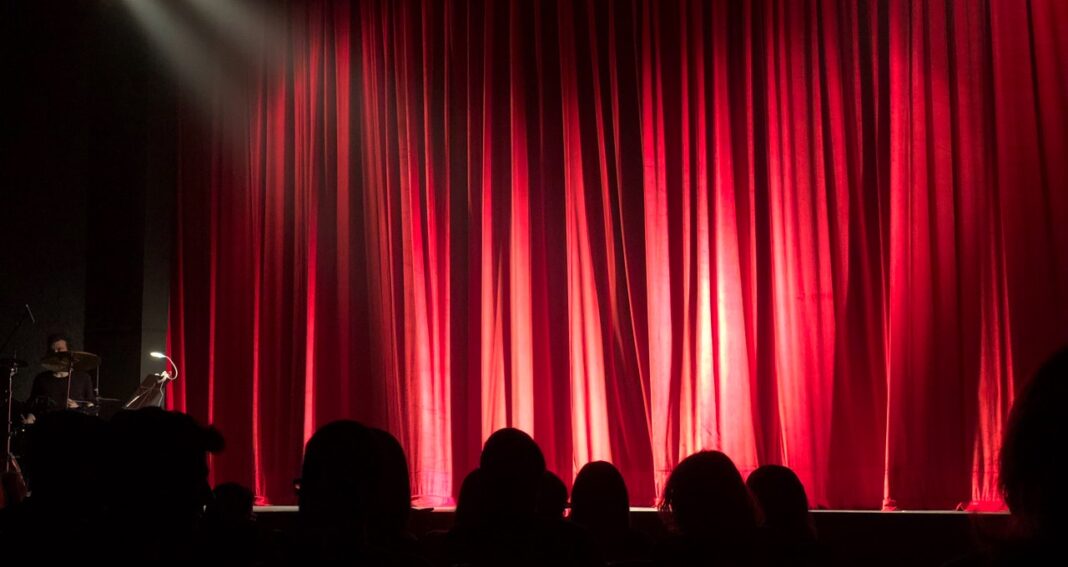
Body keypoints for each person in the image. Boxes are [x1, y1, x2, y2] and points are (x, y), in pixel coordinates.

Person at [24, 333, 95, 421]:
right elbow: (32, 406)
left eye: (60, 350)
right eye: (53, 351)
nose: (56, 354)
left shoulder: (84, 378)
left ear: (69, 353)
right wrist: (30, 417)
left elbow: (91, 407)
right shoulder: (41, 379)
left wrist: (78, 407)